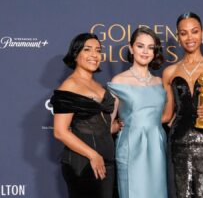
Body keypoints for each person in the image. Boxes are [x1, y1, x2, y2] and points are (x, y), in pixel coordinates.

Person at [162, 12, 203, 198]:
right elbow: (167, 115)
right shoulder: (169, 72)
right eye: (183, 33)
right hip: (179, 140)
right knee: (181, 193)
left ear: (202, 34)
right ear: (178, 37)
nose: (189, 37)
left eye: (194, 32)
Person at [50, 33, 120, 198]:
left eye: (98, 50)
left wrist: (113, 127)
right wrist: (93, 155)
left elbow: (95, 125)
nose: (94, 55)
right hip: (83, 163)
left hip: (105, 161)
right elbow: (60, 131)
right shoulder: (70, 85)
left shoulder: (98, 85)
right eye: (87, 50)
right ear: (76, 54)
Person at [107, 27, 167, 198]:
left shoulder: (160, 82)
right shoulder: (119, 81)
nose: (145, 51)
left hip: (157, 146)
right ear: (131, 48)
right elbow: (108, 123)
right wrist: (116, 126)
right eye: (140, 46)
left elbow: (165, 115)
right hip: (131, 145)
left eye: (150, 47)